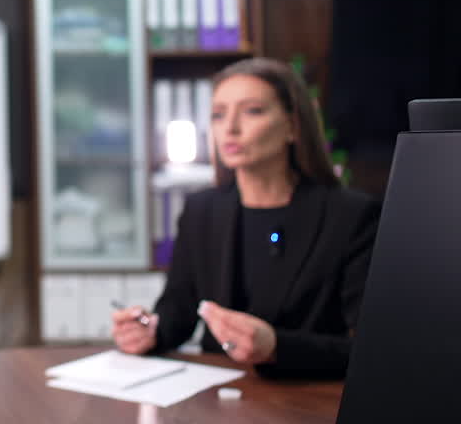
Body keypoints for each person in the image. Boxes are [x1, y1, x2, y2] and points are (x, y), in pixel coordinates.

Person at [111, 57, 380, 378]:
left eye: (252, 111)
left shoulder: (350, 216)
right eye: (218, 115)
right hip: (216, 395)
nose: (231, 128)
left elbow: (371, 350)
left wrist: (277, 347)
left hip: (308, 399)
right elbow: (179, 311)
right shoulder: (201, 210)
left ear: (293, 126)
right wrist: (151, 331)